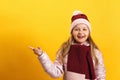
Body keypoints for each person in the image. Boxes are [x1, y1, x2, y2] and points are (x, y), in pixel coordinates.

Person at [29, 10, 106, 80]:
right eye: (76, 29)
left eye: (84, 29)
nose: (80, 32)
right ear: (72, 32)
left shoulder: (95, 52)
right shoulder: (65, 50)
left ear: (89, 32)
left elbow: (101, 76)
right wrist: (42, 55)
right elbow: (55, 73)